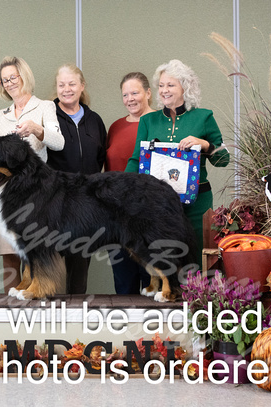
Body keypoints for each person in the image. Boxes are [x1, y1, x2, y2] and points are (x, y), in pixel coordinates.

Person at [124, 60, 230, 269]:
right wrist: (125, 189)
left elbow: (223, 159)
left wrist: (205, 144)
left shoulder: (204, 117)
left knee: (197, 257)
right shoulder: (148, 121)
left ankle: (198, 300)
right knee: (164, 257)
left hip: (197, 202)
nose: (164, 90)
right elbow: (137, 159)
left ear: (185, 87)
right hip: (158, 203)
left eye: (170, 85)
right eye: (161, 85)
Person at [0, 56, 64, 294]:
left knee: (39, 251)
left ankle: (44, 303)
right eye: (5, 80)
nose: (9, 83)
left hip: (37, 194)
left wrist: (36, 129)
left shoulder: (45, 107)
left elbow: (59, 143)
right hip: (6, 196)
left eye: (13, 77)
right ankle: (11, 310)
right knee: (10, 257)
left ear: (24, 77)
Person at [48, 63, 107, 294]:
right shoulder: (48, 115)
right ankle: (45, 319)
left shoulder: (95, 120)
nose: (66, 89)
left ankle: (75, 316)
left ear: (82, 86)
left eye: (72, 84)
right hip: (53, 203)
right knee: (48, 261)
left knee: (80, 263)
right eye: (61, 85)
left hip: (85, 204)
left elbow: (101, 158)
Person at [106, 72, 155, 294]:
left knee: (152, 278)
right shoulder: (115, 127)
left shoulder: (162, 124)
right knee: (123, 280)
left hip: (149, 214)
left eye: (135, 92)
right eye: (125, 94)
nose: (130, 99)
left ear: (148, 93)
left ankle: (155, 329)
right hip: (117, 214)